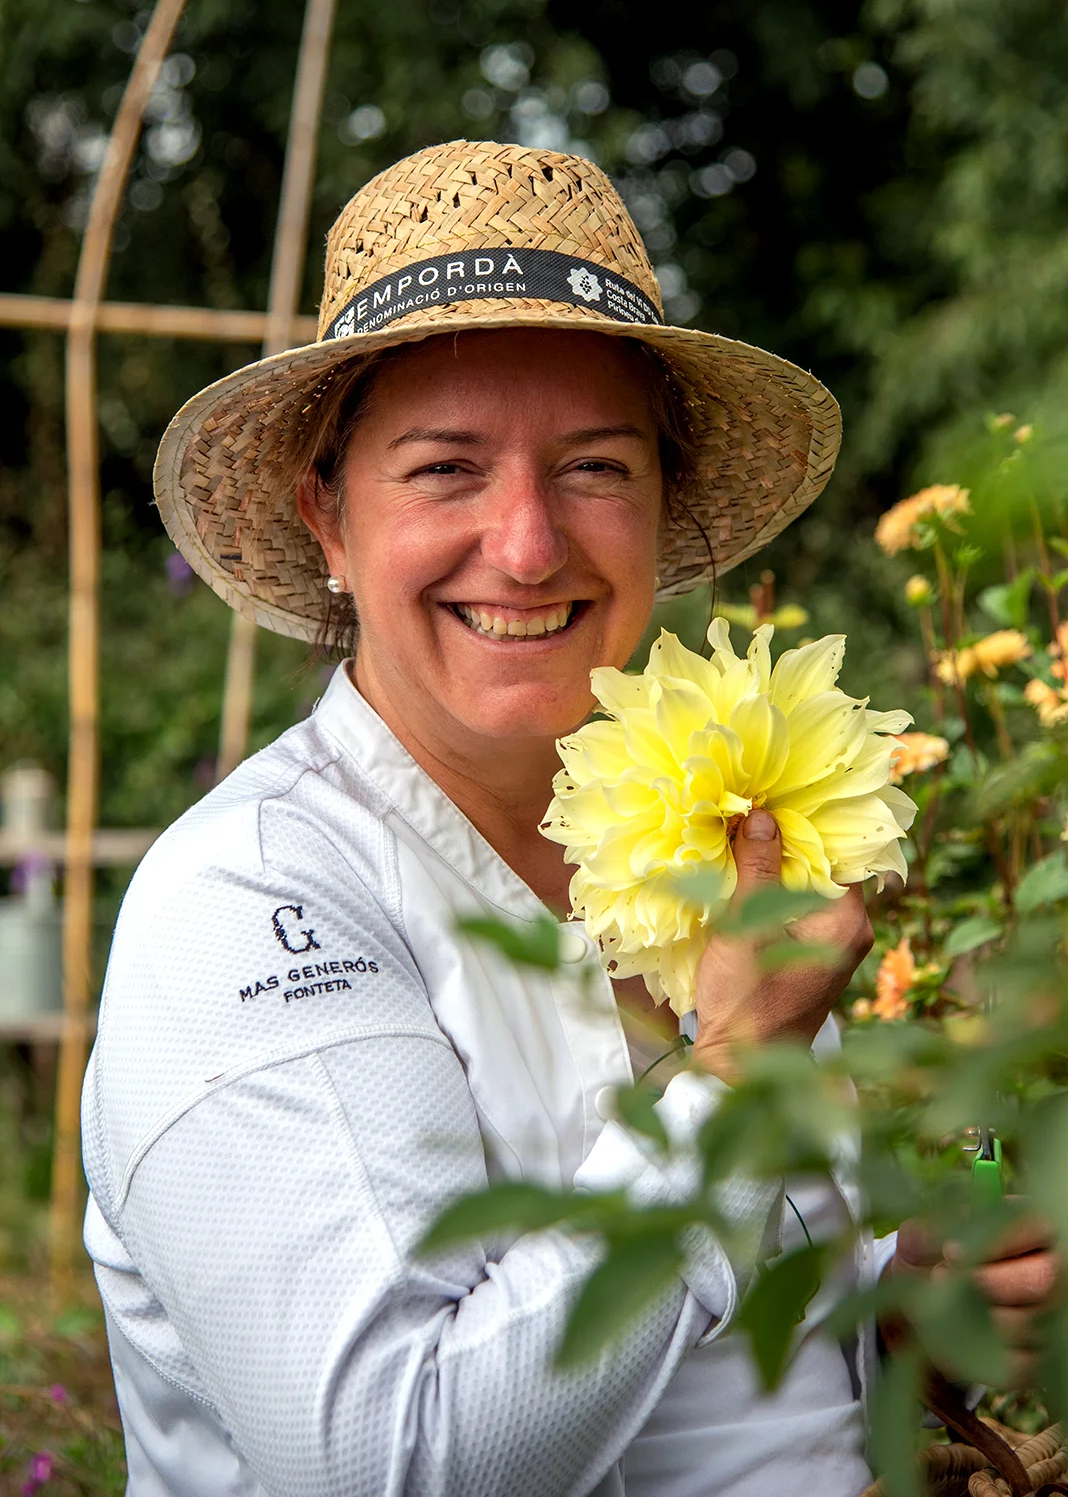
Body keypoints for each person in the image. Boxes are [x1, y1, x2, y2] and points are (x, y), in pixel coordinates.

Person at [83, 140, 1055, 1497]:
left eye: (595, 468)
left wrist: (899, 1319)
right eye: (446, 469)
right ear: (329, 521)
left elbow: (723, 1389)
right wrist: (730, 1081)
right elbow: (389, 1462)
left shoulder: (709, 829)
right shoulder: (253, 902)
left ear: (662, 510)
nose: (531, 546)